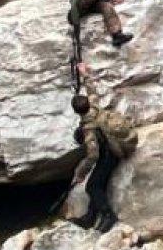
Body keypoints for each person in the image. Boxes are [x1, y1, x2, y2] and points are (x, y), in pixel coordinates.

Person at [60, 65, 139, 230]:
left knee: (92, 186)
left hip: (110, 156)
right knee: (98, 183)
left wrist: (79, 173)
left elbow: (93, 156)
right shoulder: (95, 107)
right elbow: (92, 90)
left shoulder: (89, 130)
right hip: (111, 146)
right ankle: (90, 216)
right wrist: (85, 74)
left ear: (76, 112)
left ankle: (109, 215)